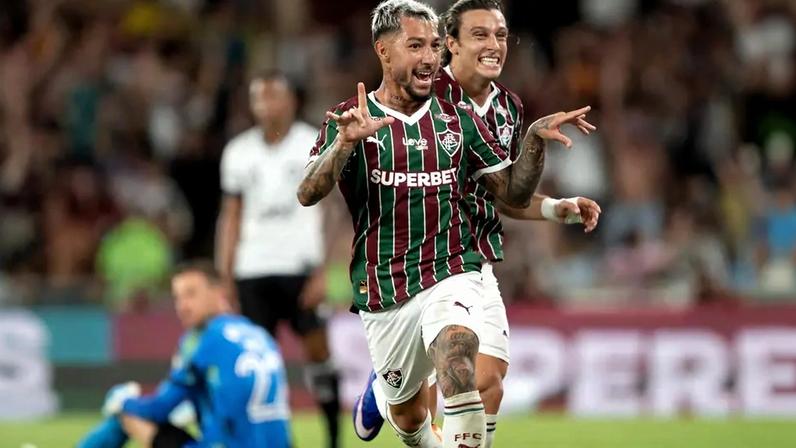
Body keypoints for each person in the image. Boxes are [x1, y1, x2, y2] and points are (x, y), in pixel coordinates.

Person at [297, 1, 590, 446]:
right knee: (410, 417)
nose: (430, 57)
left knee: (463, 363)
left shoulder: (459, 118)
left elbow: (510, 194)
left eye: (434, 46)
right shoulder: (351, 118)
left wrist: (532, 141)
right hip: (385, 286)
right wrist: (343, 145)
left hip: (453, 267)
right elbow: (307, 193)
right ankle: (390, 399)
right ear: (383, 50)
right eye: (416, 46)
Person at [215, 71, 341, 448]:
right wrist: (225, 276)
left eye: (274, 96)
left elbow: (331, 211)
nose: (267, 105)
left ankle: (333, 439)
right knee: (258, 362)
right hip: (252, 269)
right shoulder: (238, 152)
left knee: (318, 353)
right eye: (259, 98)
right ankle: (270, 440)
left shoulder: (312, 142)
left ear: (291, 101)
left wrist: (325, 271)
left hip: (301, 267)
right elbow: (231, 216)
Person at [76, 261, 291, 448]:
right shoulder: (258, 333)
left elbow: (158, 409)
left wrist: (122, 401)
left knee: (127, 416)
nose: (182, 306)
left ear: (219, 292)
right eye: (177, 298)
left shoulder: (203, 339)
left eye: (191, 294)